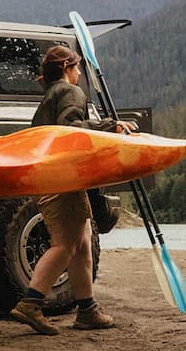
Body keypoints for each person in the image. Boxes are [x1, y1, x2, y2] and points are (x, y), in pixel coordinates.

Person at [10, 45, 134, 335]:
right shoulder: (69, 92)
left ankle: (87, 309)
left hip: (53, 178)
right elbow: (71, 128)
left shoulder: (50, 95)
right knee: (65, 244)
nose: (79, 73)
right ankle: (31, 302)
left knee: (82, 240)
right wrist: (111, 126)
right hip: (61, 179)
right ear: (67, 67)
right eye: (77, 68)